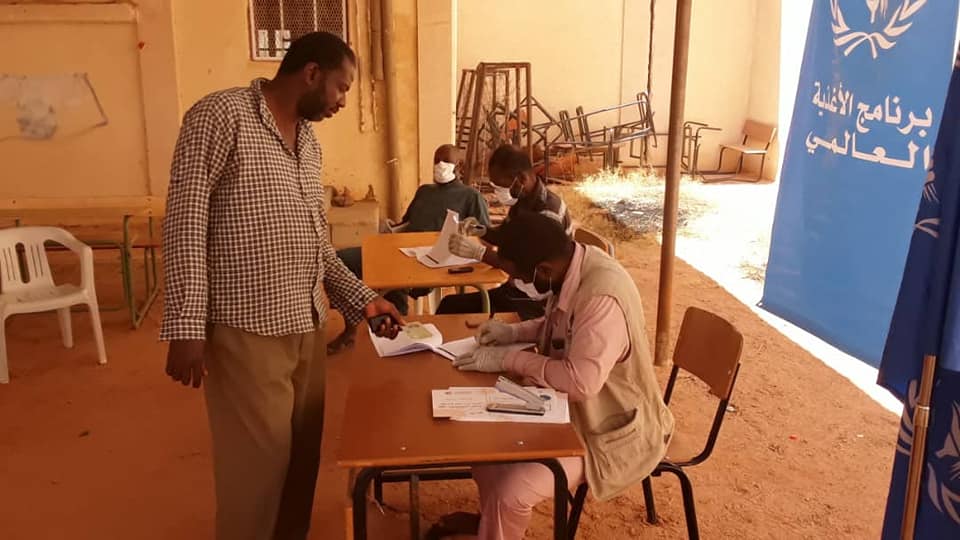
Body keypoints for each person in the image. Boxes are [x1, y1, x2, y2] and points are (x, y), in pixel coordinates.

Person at [160, 32, 404, 540]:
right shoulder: (220, 116)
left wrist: (363, 300)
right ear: (311, 73)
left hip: (306, 324)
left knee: (300, 458)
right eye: (341, 87)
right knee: (256, 470)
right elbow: (185, 222)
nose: (342, 101)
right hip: (246, 329)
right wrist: (185, 325)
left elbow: (316, 245)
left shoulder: (308, 143)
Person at [444, 210, 674, 540]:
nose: (517, 283)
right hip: (567, 411)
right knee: (485, 452)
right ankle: (494, 523)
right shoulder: (572, 266)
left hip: (607, 429)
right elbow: (562, 325)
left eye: (519, 277)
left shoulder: (601, 297)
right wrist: (513, 333)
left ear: (543, 270)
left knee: (512, 491)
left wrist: (509, 359)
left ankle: (498, 516)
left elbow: (579, 382)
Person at [327, 143, 490, 353]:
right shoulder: (425, 191)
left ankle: (398, 331)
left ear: (458, 166)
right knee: (340, 260)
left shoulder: (471, 196)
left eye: (445, 161)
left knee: (393, 278)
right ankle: (351, 327)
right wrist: (391, 228)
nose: (439, 165)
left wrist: (467, 230)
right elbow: (407, 222)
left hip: (436, 258)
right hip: (403, 249)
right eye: (436, 161)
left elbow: (484, 232)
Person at [435, 144, 572, 319]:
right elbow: (506, 238)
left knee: (453, 310)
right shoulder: (522, 201)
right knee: (449, 305)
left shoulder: (548, 214)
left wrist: (478, 253)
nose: (497, 191)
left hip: (536, 301)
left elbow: (525, 270)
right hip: (516, 289)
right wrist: (480, 230)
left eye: (501, 186)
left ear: (521, 179)